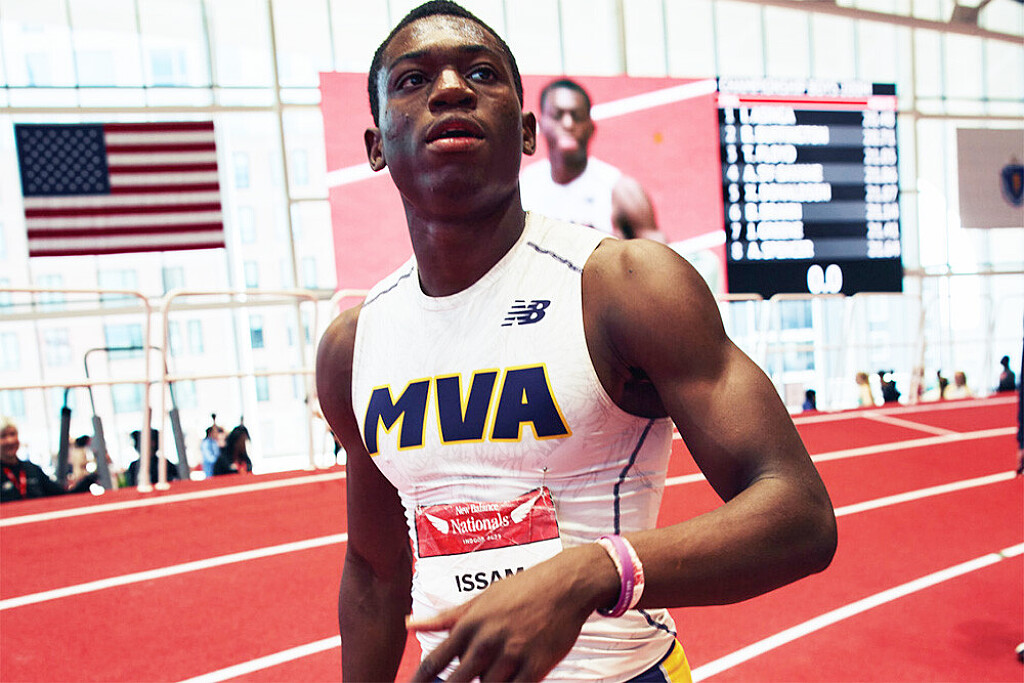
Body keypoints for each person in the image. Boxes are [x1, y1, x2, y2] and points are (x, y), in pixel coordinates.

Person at [315, 2, 837, 680]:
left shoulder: (625, 286)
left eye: (481, 73)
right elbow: (374, 571)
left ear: (526, 132)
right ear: (376, 145)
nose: (450, 89)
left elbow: (799, 512)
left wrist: (594, 570)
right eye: (413, 80)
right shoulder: (354, 344)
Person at [519, 78, 667, 242]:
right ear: (539, 125)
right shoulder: (525, 184)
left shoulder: (620, 190)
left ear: (591, 127)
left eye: (577, 116)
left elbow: (659, 252)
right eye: (557, 115)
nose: (568, 124)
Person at [1, 417, 67, 503]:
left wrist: (84, 482)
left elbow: (62, 495)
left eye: (12, 434)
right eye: (3, 436)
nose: (10, 441)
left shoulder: (32, 469)